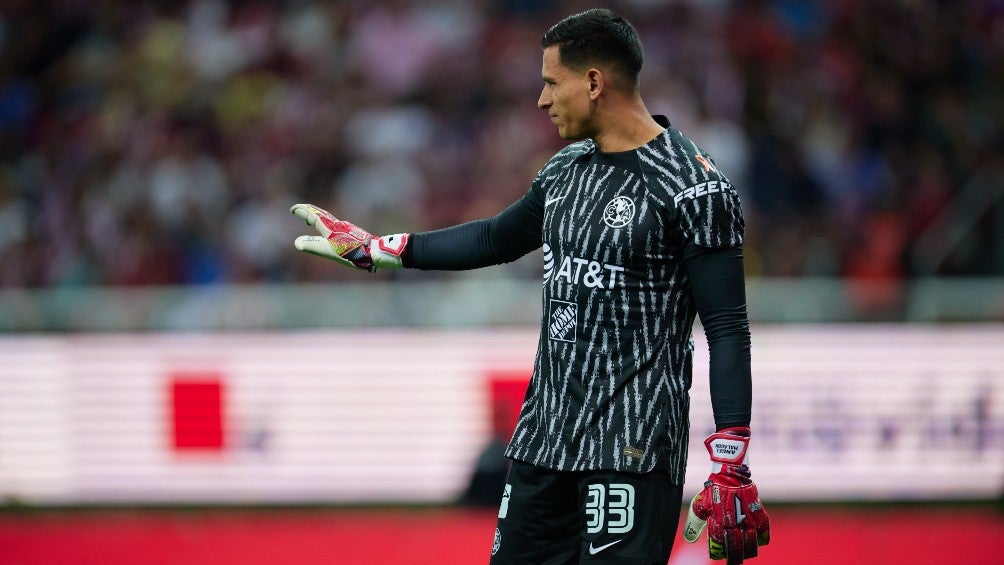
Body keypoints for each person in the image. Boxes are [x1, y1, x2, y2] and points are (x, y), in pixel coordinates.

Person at [290, 8, 769, 564]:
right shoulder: (564, 171)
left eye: (550, 82)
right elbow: (495, 237)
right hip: (543, 442)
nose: (541, 100)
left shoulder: (695, 188)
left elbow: (728, 328)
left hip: (630, 449)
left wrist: (730, 458)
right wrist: (379, 249)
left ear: (593, 83)